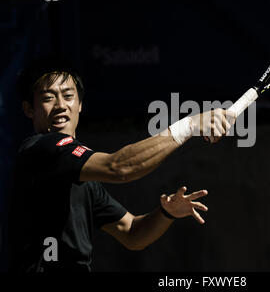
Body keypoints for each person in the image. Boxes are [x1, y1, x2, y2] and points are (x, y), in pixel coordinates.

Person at [8, 57, 236, 272]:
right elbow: (119, 167)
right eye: (48, 98)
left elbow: (132, 233)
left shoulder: (82, 179)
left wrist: (166, 213)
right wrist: (190, 125)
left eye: (68, 96)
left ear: (79, 104)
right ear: (29, 109)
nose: (60, 106)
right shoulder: (41, 149)